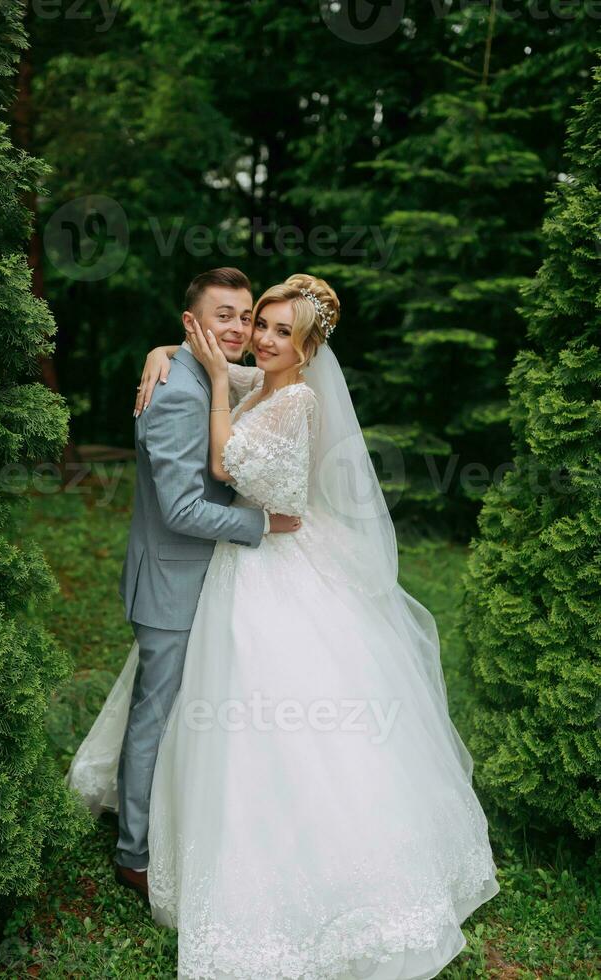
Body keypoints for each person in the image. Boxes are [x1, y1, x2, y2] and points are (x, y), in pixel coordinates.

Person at [68, 273, 500, 980]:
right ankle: (139, 851)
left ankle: (295, 851)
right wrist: (166, 352)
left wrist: (207, 372)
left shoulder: (287, 394)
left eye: (270, 327)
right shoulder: (233, 381)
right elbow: (190, 483)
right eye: (243, 321)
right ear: (203, 322)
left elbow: (229, 456)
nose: (255, 335)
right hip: (215, 562)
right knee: (175, 710)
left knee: (271, 716)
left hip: (263, 563)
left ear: (304, 346)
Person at [66, 267, 300, 900]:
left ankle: (187, 820)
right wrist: (263, 524)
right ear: (193, 322)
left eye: (246, 317)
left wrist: (164, 348)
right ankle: (133, 853)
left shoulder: (211, 374)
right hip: (172, 580)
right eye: (223, 315)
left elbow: (288, 370)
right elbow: (181, 510)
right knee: (156, 715)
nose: (240, 328)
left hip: (217, 578)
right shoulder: (174, 392)